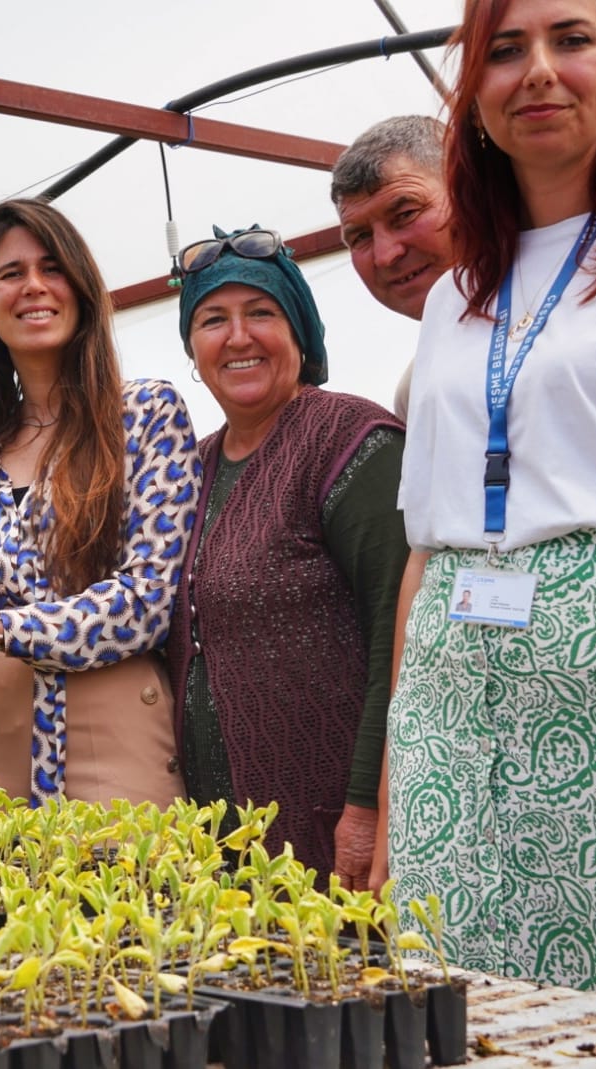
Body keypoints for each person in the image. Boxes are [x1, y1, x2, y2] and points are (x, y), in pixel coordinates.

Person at [385, 0, 596, 1007]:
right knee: (460, 999)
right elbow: (426, 539)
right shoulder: (454, 293)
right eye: (504, 51)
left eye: (571, 40)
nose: (537, 72)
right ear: (471, 99)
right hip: (453, 714)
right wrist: (398, 757)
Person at [0, 198, 200, 807]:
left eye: (52, 268)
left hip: (105, 734)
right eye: (11, 273)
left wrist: (0, 628)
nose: (34, 286)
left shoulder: (146, 415)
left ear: (81, 288)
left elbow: (148, 601)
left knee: (127, 898)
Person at [167, 227, 407, 889]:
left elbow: (402, 632)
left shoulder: (351, 441)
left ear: (300, 331)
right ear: (193, 347)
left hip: (332, 822)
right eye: (213, 319)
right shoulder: (194, 466)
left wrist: (367, 805)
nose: (238, 337)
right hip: (224, 841)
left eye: (262, 314)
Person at [331, 115, 454, 420]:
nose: (385, 255)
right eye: (360, 237)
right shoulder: (415, 392)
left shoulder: (577, 302)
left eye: (406, 214)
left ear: (470, 191)